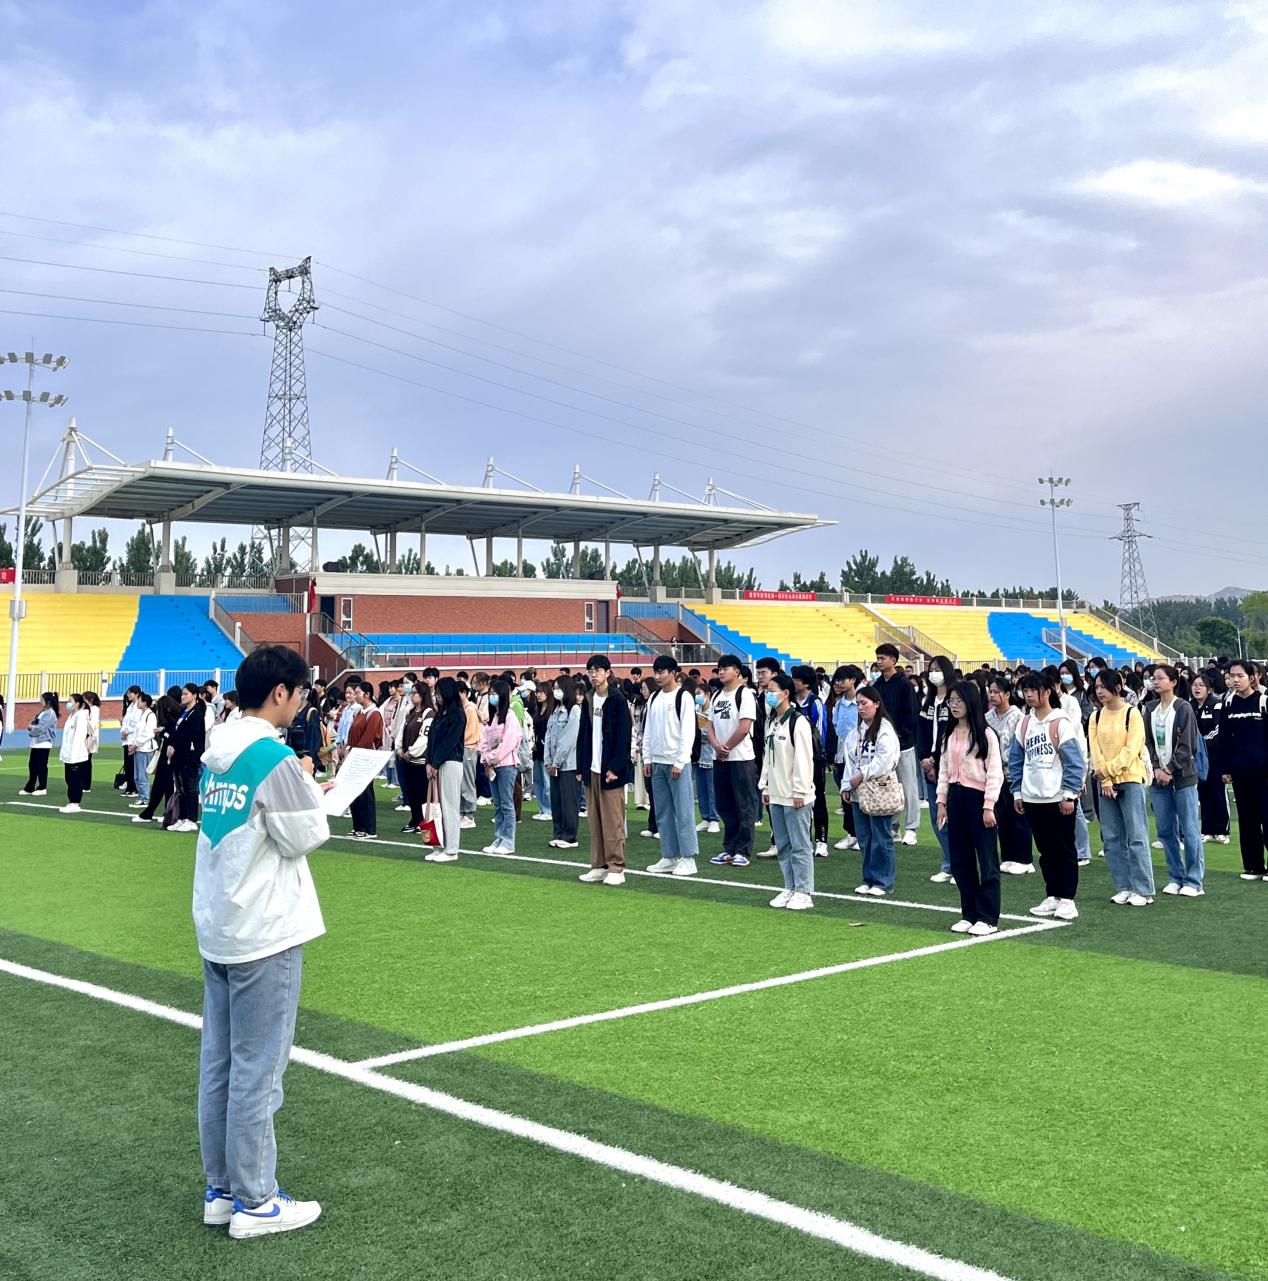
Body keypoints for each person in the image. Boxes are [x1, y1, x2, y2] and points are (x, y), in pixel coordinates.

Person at [194, 645, 328, 1239]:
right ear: (280, 692)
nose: (300, 702)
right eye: (299, 692)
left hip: (221, 921)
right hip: (264, 927)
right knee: (258, 1068)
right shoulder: (272, 755)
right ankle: (256, 1199)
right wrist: (310, 784)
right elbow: (305, 834)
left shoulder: (218, 749)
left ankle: (222, 1189)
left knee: (221, 1064)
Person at [1008, 673, 1085, 921]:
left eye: (1033, 690)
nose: (1029, 695)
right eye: (1025, 691)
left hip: (1058, 797)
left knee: (1064, 849)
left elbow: (1075, 762)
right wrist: (1017, 792)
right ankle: (1053, 895)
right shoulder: (1024, 723)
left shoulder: (1060, 723)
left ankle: (1068, 899)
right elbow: (1016, 760)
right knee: (1045, 851)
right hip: (1032, 797)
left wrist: (1069, 795)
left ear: (1047, 692)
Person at [936, 681, 1003, 934]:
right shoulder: (949, 734)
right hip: (956, 798)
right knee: (961, 860)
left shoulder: (986, 734)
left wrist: (989, 806)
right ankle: (969, 913)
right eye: (951, 701)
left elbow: (995, 772)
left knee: (987, 860)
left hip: (979, 799)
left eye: (959, 701)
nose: (953, 706)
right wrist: (941, 802)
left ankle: (988, 917)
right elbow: (944, 771)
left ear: (971, 702)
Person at [1089, 669, 1155, 906]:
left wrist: (1108, 771)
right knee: (1112, 838)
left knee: (1136, 836)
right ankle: (1124, 886)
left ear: (1117, 687)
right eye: (1097, 687)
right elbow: (1095, 750)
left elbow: (1131, 750)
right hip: (1105, 782)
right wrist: (1105, 780)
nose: (1099, 691)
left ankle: (1143, 889)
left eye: (1103, 686)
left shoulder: (1132, 713)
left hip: (1130, 779)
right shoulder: (1096, 716)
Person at [1144, 664, 1204, 897]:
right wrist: (1156, 768)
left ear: (1173, 682)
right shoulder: (1150, 708)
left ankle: (1194, 880)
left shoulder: (1183, 708)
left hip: (1182, 777)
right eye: (1153, 678)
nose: (1155, 682)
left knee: (1189, 829)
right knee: (1165, 830)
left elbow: (1187, 744)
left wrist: (1169, 769)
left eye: (1160, 678)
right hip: (1158, 778)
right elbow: (1148, 741)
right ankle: (1175, 876)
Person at [575, 654, 633, 886]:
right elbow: (583, 735)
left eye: (598, 670)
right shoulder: (588, 699)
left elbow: (624, 736)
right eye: (590, 671)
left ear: (608, 672)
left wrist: (615, 767)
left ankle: (616, 867)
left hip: (610, 770)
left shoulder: (617, 700)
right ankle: (598, 866)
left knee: (613, 821)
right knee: (595, 820)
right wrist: (581, 766)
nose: (594, 675)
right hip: (592, 768)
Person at [759, 672, 815, 909]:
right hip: (776, 794)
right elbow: (768, 756)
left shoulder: (798, 722)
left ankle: (804, 891)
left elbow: (804, 759)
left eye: (772, 691)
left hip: (795, 796)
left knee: (800, 845)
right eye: (767, 691)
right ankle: (789, 887)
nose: (768, 695)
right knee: (783, 845)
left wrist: (800, 791)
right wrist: (765, 785)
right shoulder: (771, 721)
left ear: (785, 693)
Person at [841, 685, 901, 896]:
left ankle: (883, 881)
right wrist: (846, 785)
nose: (860, 708)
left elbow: (884, 760)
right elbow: (849, 760)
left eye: (864, 703)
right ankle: (868, 878)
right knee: (865, 838)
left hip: (879, 789)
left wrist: (862, 774)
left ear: (876, 704)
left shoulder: (885, 729)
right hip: (859, 790)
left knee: (881, 836)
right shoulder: (856, 732)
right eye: (858, 704)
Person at [642, 655, 699, 876]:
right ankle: (669, 855)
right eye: (655, 672)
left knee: (683, 812)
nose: (658, 676)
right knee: (663, 812)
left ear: (673, 673)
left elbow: (688, 731)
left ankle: (688, 857)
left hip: (677, 763)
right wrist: (647, 758)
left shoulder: (684, 697)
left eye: (662, 672)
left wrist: (680, 761)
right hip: (657, 762)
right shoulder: (654, 698)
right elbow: (648, 730)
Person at [1216, 659, 1268, 881]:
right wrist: (1225, 768)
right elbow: (1224, 739)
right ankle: (1254, 867)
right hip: (1240, 772)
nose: (1235, 680)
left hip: (1264, 773)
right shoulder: (1228, 704)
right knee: (1247, 821)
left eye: (1240, 676)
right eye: (1231, 676)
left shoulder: (1263, 701)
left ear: (1252, 677)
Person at [707, 654, 759, 868]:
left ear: (737, 671)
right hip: (719, 758)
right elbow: (709, 724)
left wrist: (726, 747)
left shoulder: (744, 694)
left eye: (725, 668)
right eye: (719, 668)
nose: (721, 672)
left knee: (743, 804)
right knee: (725, 804)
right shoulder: (717, 695)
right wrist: (716, 746)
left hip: (740, 758)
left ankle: (743, 850)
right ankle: (729, 848)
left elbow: (745, 727)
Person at [986, 675, 1033, 875]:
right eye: (990, 691)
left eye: (997, 692)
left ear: (1007, 694)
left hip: (1013, 772)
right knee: (1002, 817)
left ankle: (1024, 859)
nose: (992, 695)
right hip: (994, 774)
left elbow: (1018, 746)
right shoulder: (987, 717)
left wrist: (1003, 759)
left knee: (1018, 816)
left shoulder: (1018, 716)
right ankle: (1008, 857)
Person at [873, 644, 920, 845]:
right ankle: (893, 827)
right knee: (887, 786)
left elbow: (912, 713)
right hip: (883, 745)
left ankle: (911, 827)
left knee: (908, 786)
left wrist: (901, 734)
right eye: (878, 658)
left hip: (903, 744)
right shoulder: (877, 686)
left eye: (883, 658)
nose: (879, 661)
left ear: (893, 660)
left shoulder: (904, 685)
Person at [919, 655, 956, 883]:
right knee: (936, 817)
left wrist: (935, 759)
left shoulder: (954, 699)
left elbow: (950, 733)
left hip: (948, 766)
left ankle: (958, 864)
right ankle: (949, 863)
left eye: (937, 669)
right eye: (930, 669)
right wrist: (925, 759)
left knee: (953, 817)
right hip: (929, 766)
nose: (933, 673)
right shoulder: (928, 701)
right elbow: (921, 731)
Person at [421, 677, 466, 863]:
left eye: (439, 694)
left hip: (450, 763)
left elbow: (450, 741)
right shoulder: (440, 715)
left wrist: (435, 762)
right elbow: (431, 740)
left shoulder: (458, 715)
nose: (437, 697)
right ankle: (438, 845)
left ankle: (451, 849)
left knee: (449, 806)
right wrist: (428, 762)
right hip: (436, 764)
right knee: (435, 806)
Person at [479, 676, 523, 855]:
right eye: (490, 693)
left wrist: (491, 759)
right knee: (497, 805)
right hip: (493, 766)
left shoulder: (510, 717)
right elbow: (485, 741)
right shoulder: (494, 718)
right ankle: (499, 838)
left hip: (505, 765)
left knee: (506, 804)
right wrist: (486, 759)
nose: (492, 696)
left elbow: (508, 743)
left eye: (495, 693)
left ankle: (508, 841)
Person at [791, 664, 830, 858]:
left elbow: (821, 732)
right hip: (793, 758)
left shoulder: (815, 703)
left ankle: (821, 840)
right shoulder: (791, 702)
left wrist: (816, 755)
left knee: (818, 798)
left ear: (805, 683)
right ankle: (801, 838)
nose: (794, 682)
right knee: (797, 799)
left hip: (813, 759)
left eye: (797, 679)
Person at [1191, 671, 1230, 844]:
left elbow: (1218, 729)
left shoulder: (1217, 704)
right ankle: (1207, 829)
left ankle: (1222, 830)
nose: (1197, 688)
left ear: (1209, 689)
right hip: (1198, 757)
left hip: (1215, 755)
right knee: (1203, 792)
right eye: (1194, 685)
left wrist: (1201, 744)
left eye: (1201, 685)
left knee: (1218, 791)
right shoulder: (1190, 706)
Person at [544, 673, 581, 849]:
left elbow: (568, 739)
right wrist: (548, 760)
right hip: (554, 764)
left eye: (559, 688)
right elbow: (548, 736)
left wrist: (556, 762)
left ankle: (569, 836)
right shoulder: (554, 711)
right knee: (556, 801)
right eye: (554, 688)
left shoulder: (574, 711)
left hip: (568, 765)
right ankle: (558, 833)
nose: (556, 691)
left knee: (568, 802)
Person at [343, 681, 383, 840]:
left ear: (367, 694)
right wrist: (348, 748)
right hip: (355, 755)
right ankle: (358, 826)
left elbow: (369, 738)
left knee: (366, 793)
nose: (356, 695)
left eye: (358, 693)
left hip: (365, 758)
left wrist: (355, 752)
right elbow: (352, 733)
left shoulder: (374, 714)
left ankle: (369, 828)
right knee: (355, 792)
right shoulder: (359, 712)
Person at [828, 666, 862, 851]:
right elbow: (837, 730)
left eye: (842, 680)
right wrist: (836, 756)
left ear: (853, 680)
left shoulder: (861, 702)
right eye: (837, 680)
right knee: (847, 796)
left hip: (861, 755)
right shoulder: (839, 704)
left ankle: (862, 835)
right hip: (843, 755)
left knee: (862, 796)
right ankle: (851, 834)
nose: (839, 684)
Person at [136, 693, 182, 826]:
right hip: (164, 753)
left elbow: (173, 736)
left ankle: (167, 813)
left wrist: (162, 732)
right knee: (159, 785)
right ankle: (150, 812)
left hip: (170, 754)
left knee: (167, 785)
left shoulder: (175, 721)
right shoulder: (173, 719)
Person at [397, 684, 435, 834]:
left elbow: (424, 738)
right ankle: (414, 819)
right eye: (411, 693)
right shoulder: (411, 712)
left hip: (420, 761)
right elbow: (401, 731)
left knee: (421, 793)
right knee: (411, 792)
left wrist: (411, 752)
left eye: (415, 693)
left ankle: (423, 821)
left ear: (423, 694)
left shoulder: (428, 713)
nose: (412, 696)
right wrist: (399, 749)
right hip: (407, 760)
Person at [58, 692, 91, 814]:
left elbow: (79, 737)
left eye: (70, 701)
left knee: (74, 779)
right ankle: (71, 801)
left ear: (77, 703)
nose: (68, 703)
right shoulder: (72, 716)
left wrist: (73, 756)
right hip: (68, 753)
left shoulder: (80, 717)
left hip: (76, 755)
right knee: (68, 778)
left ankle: (75, 802)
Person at [21, 691, 58, 796]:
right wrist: (32, 726)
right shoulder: (43, 712)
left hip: (43, 743)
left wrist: (31, 728)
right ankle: (30, 787)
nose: (40, 701)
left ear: (48, 701)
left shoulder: (50, 713)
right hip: (36, 742)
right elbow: (37, 724)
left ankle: (42, 787)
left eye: (42, 699)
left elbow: (41, 728)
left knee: (41, 766)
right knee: (32, 765)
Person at [129, 692, 158, 811]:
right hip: (139, 748)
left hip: (145, 749)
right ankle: (142, 797)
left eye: (140, 700)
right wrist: (133, 744)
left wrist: (136, 744)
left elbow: (149, 733)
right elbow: (137, 732)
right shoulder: (142, 714)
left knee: (142, 775)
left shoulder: (150, 715)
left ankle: (145, 798)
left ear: (145, 702)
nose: (137, 703)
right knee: (137, 775)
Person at [530, 682, 553, 821]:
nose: (539, 695)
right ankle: (542, 808)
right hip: (536, 750)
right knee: (538, 781)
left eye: (542, 692)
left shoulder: (551, 711)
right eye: (537, 692)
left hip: (546, 751)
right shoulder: (537, 711)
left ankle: (549, 809)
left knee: (547, 782)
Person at [118, 685, 143, 796]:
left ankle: (134, 788)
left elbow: (136, 724)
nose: (128, 695)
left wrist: (127, 731)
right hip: (126, 739)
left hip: (133, 739)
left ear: (136, 694)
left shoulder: (138, 707)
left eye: (130, 693)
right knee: (127, 765)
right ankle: (129, 787)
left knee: (132, 765)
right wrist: (123, 731)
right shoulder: (130, 707)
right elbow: (125, 721)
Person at [83, 690, 101, 792]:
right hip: (89, 736)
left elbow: (92, 724)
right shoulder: (90, 709)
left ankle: (86, 785)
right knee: (85, 760)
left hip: (90, 737)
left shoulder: (94, 709)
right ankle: (85, 783)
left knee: (86, 761)